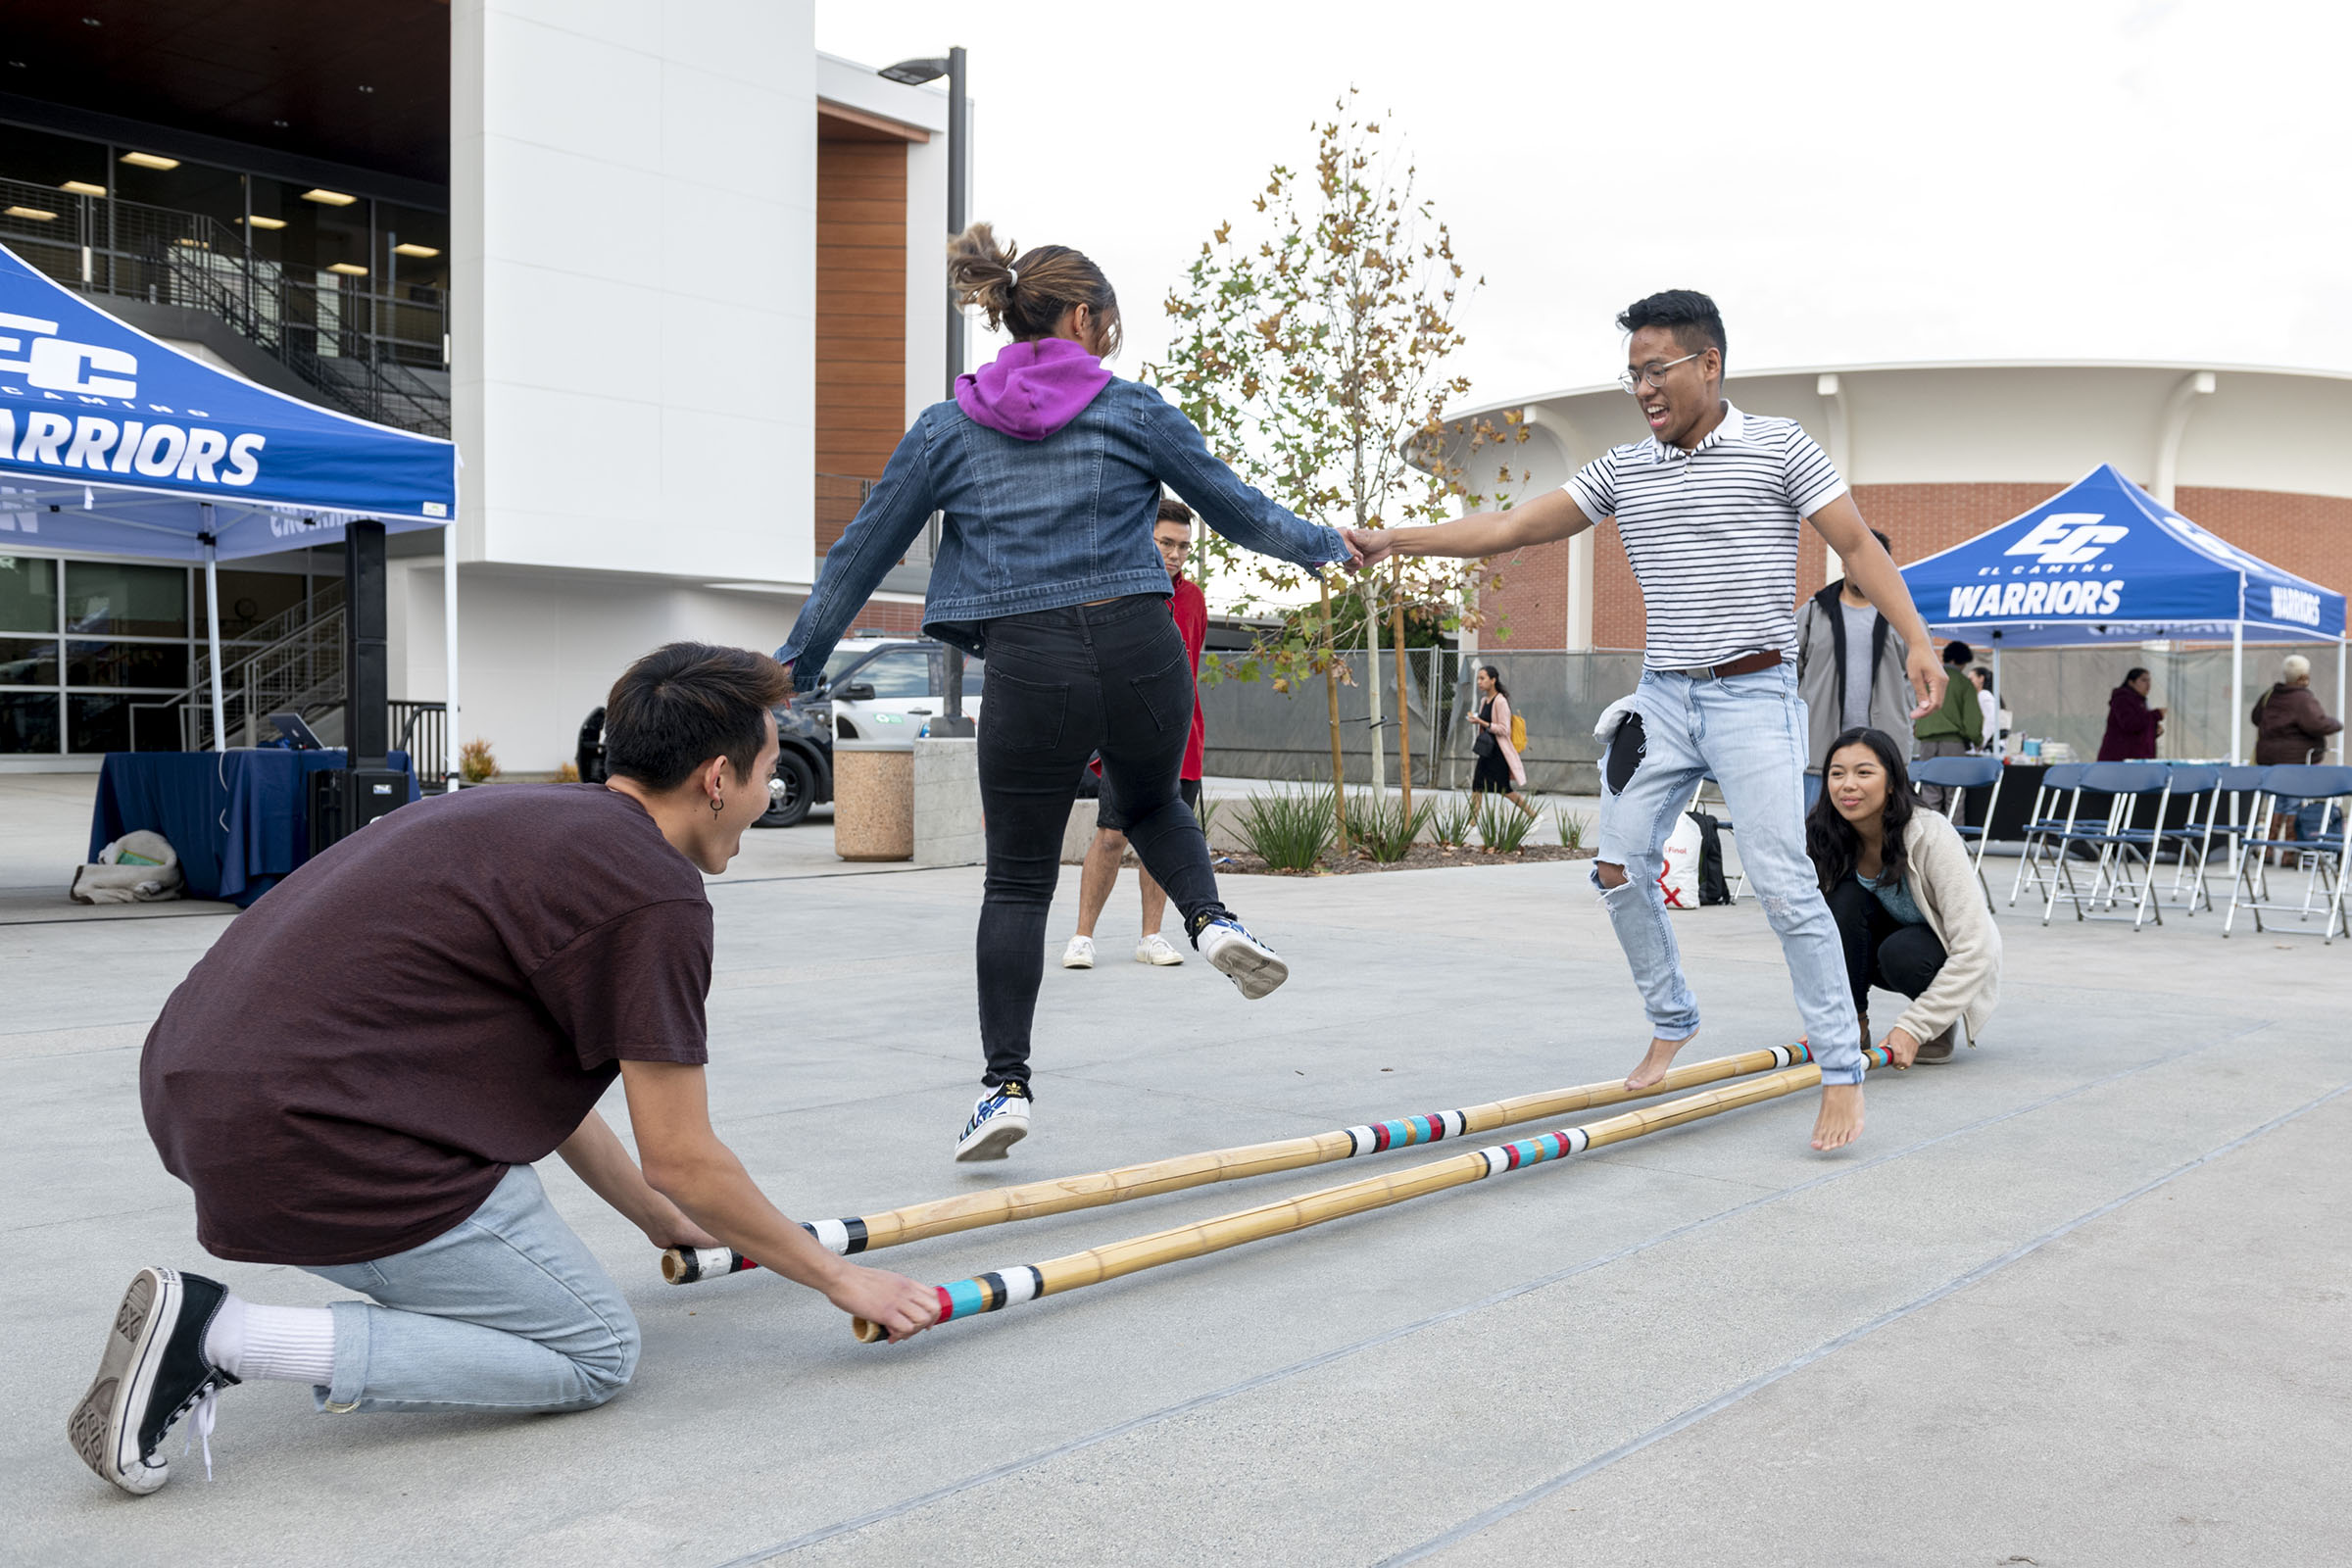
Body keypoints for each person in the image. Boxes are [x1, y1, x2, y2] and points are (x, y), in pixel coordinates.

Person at [72, 644, 940, 1498]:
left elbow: (533, 1082)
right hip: (311, 1143)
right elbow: (685, 1156)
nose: (769, 795)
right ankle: (222, 1336)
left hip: (204, 1099)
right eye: (765, 774)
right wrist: (838, 1276)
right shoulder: (653, 893)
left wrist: (653, 1216)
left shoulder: (523, 820)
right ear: (717, 778)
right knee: (593, 1350)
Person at [777, 223, 1358, 1162]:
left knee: (1014, 879)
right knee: (1152, 801)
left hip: (1031, 665)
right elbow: (1242, 512)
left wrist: (796, 665)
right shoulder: (1132, 411)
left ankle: (1004, 1085)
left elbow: (860, 556)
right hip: (1141, 644)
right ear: (1084, 319)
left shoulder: (945, 428)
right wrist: (1331, 543)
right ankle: (1211, 921)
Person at [1348, 289, 1944, 1152]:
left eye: (1655, 370)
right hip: (1662, 699)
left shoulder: (1781, 448)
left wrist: (1917, 640)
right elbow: (1513, 525)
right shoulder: (1624, 470)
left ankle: (1841, 1071)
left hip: (1755, 696)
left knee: (1783, 884)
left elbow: (1856, 547)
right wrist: (1396, 539)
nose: (1642, 389)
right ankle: (1673, 1016)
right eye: (1631, 375)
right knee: (1619, 868)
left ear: (1708, 363)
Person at [1065, 498, 1210, 971]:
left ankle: (1151, 936)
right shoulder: (1117, 594)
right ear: (1143, 539)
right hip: (1125, 738)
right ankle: (1082, 936)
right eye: (1165, 543)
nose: (1175, 554)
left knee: (1162, 841)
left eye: (1183, 547)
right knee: (1111, 836)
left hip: (1181, 742)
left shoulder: (1193, 599)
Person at [1809, 726, 2002, 1068]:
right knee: (1841, 901)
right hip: (1877, 949)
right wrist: (1828, 1017)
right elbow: (1815, 934)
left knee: (1902, 952)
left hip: (1927, 955)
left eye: (1864, 772)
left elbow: (1978, 946)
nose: (1847, 785)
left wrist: (1914, 1027)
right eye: (1837, 774)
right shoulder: (1827, 835)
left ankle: (1937, 1025)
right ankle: (1853, 1022)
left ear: (1893, 781)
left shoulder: (1930, 834)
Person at [1794, 528, 1913, 807]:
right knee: (1813, 837)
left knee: (1881, 839)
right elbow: (1787, 672)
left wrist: (1908, 719)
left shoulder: (1905, 616)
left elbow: (1918, 680)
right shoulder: (1813, 613)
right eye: (1858, 560)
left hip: (1883, 755)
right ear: (1844, 562)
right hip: (1818, 754)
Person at [2254, 653, 2345, 847]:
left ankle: (2268, 850)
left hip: (2269, 759)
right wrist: (2336, 724)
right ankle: (2290, 851)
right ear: (2303, 676)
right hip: (2296, 761)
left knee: (2276, 802)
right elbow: (2317, 724)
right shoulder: (2303, 699)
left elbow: (2256, 717)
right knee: (2293, 802)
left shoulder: (2270, 695)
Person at [1911, 639, 1980, 810]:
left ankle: (1929, 835)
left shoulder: (1927, 680)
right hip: (1953, 744)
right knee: (1954, 792)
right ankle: (1954, 834)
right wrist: (1977, 739)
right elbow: (1972, 719)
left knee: (1929, 791)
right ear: (1963, 661)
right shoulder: (1964, 683)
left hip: (1926, 743)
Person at [1466, 664, 1535, 818]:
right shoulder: (1485, 700)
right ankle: (1472, 823)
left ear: (1493, 680)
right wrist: (1477, 721)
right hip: (1487, 751)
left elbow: (1505, 729)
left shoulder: (1500, 701)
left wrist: (1482, 723)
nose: (1479, 682)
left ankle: (1534, 815)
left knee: (1505, 789)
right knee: (1477, 785)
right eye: (1478, 678)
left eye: (1482, 678)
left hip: (1499, 753)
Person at [2096, 666, 2164, 760]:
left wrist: (2153, 730)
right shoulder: (2122, 699)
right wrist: (2156, 715)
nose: (2148, 684)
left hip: (2136, 760)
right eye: (2144, 680)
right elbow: (2131, 724)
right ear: (2131, 682)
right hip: (2119, 761)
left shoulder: (2141, 701)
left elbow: (2138, 730)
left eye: (2149, 680)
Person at [1968, 666, 1999, 753]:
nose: (1968, 682)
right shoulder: (1980, 696)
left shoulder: (1984, 695)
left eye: (1971, 679)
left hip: (1983, 746)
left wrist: (1982, 742)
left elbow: (1991, 720)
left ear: (1981, 679)